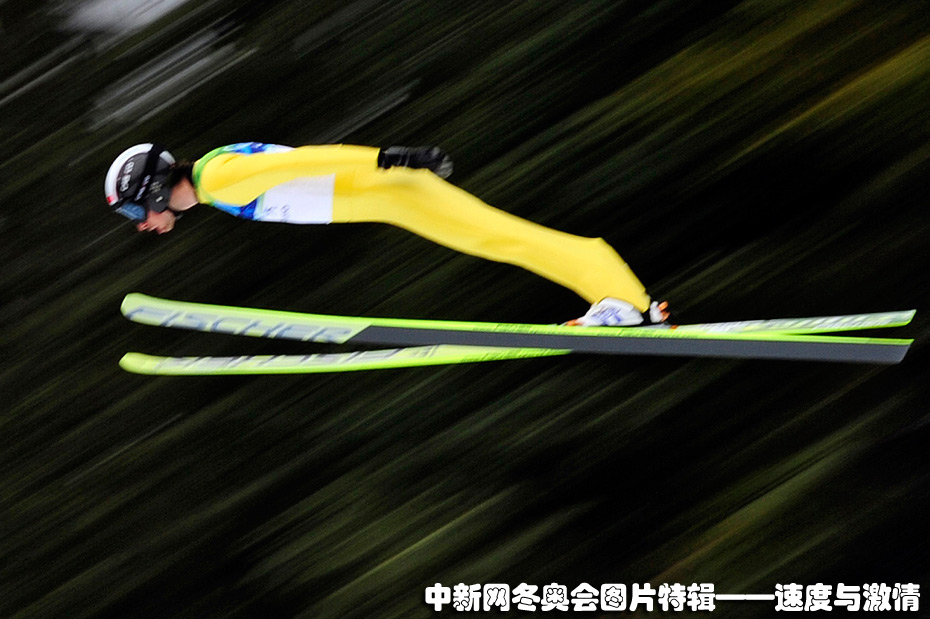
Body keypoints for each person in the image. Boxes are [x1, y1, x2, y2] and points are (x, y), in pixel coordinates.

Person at [104, 142, 669, 326]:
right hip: (393, 202)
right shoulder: (214, 179)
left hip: (396, 190)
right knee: (502, 242)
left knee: (506, 238)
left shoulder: (219, 178)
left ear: (152, 190)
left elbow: (307, 160)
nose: (142, 225)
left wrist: (391, 157)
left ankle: (626, 301)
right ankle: (621, 302)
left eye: (135, 213)